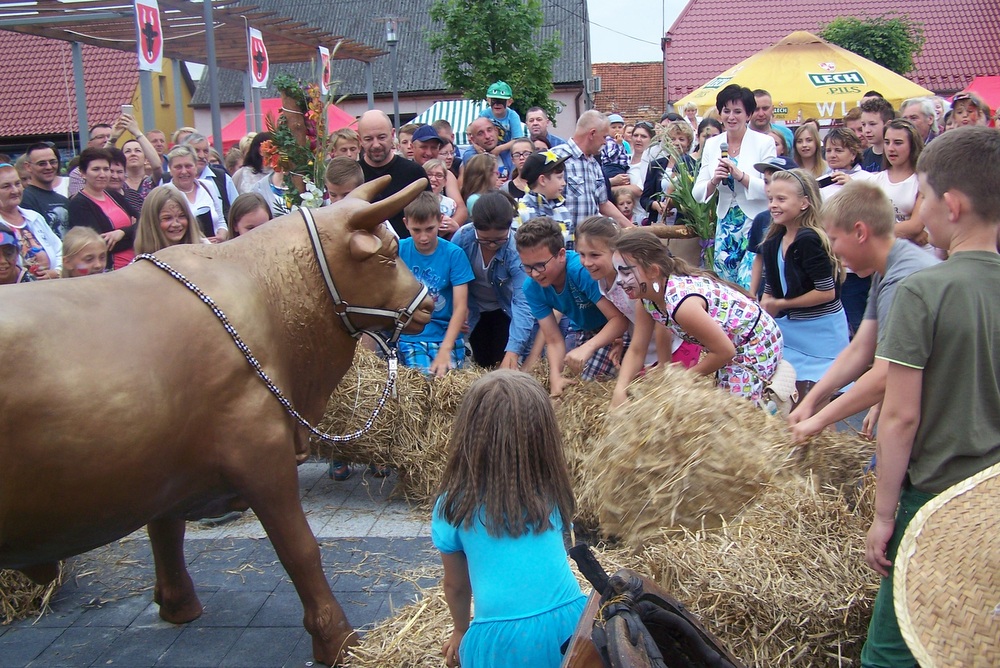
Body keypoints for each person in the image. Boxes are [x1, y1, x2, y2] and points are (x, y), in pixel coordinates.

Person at [860, 126, 1000, 667]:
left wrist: (884, 515)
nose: (919, 212)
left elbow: (900, 417)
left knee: (892, 651)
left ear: (953, 205)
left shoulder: (925, 290)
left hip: (937, 501)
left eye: (924, 197)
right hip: (992, 497)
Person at [433, 370, 586, 668]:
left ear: (468, 432)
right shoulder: (553, 490)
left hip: (500, 642)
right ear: (543, 436)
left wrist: (461, 630)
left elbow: (456, 586)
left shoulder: (453, 505)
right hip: (572, 626)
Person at [788, 181, 938, 443]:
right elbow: (860, 348)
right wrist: (811, 401)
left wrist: (817, 421)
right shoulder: (888, 267)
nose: (833, 250)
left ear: (859, 232)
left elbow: (885, 374)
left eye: (834, 239)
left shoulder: (902, 281)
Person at [610, 229, 782, 406]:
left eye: (626, 273)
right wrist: (620, 390)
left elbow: (725, 352)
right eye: (617, 272)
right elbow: (637, 349)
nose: (619, 281)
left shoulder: (681, 304)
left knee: (734, 408)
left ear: (653, 271)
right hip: (730, 344)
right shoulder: (646, 300)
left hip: (755, 340)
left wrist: (684, 380)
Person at [759, 169, 848, 400]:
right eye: (771, 199)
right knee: (789, 393)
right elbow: (770, 284)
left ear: (804, 203)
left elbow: (826, 292)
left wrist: (781, 304)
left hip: (820, 330)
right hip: (789, 328)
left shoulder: (810, 240)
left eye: (781, 199)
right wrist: (765, 306)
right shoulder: (772, 241)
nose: (773, 205)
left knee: (818, 396)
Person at [515, 217, 628, 396]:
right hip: (585, 329)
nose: (534, 274)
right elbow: (553, 339)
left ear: (561, 255)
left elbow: (619, 319)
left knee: (590, 387)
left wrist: (588, 347)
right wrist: (555, 376)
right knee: (573, 382)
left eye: (540, 265)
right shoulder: (531, 287)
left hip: (619, 324)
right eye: (527, 267)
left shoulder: (581, 270)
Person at [575, 217, 700, 374]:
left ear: (615, 252)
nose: (587, 262)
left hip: (674, 345)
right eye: (582, 254)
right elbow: (624, 311)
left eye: (594, 255)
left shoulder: (633, 282)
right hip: (647, 348)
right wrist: (619, 339)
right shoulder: (602, 279)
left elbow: (662, 323)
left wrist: (664, 368)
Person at [694, 84, 775, 289]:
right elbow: (698, 193)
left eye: (738, 111)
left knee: (748, 283)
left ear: (748, 114)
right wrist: (714, 180)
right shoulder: (713, 144)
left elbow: (771, 188)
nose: (731, 117)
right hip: (726, 222)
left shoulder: (764, 143)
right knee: (726, 283)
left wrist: (741, 176)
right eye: (726, 111)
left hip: (755, 221)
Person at [450, 190, 533, 369]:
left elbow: (523, 302)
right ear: (474, 227)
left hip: (505, 310)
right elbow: (450, 277)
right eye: (485, 240)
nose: (492, 245)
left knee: (502, 359)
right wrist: (457, 307)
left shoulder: (515, 250)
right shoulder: (463, 238)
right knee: (481, 361)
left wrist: (513, 351)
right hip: (473, 308)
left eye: (499, 240)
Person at [398, 191, 474, 377]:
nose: (423, 237)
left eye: (429, 229)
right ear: (406, 223)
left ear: (440, 220)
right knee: (422, 380)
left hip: (446, 333)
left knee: (447, 384)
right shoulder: (399, 250)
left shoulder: (453, 254)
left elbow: (460, 306)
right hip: (411, 335)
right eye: (416, 230)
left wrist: (446, 348)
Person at [551, 110, 632, 229]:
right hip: (562, 237)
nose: (605, 142)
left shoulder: (594, 163)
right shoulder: (557, 157)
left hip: (588, 238)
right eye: (604, 137)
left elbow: (603, 204)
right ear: (592, 134)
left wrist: (632, 228)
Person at [357, 110, 429, 238]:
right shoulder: (353, 175)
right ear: (360, 140)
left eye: (381, 137)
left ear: (392, 134)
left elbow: (428, 216)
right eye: (368, 139)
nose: (376, 145)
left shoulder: (414, 172)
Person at [67, 148, 137, 270]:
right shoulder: (79, 204)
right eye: (96, 169)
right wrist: (134, 233)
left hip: (135, 265)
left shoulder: (114, 195)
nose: (102, 174)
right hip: (110, 271)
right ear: (83, 173)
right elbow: (99, 245)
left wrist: (122, 233)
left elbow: (144, 222)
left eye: (106, 169)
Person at [871, 119, 929, 250]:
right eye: (887, 142)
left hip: (918, 253)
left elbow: (915, 226)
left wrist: (876, 233)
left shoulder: (923, 180)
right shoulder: (875, 180)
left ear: (912, 146)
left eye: (898, 143)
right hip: (886, 252)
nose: (891, 148)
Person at [747, 155, 798, 298]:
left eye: (776, 181)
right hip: (768, 290)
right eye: (766, 182)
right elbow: (759, 258)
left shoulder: (805, 229)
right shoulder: (761, 219)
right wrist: (752, 293)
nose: (770, 187)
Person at [164, 145, 228, 242]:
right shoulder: (165, 193)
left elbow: (221, 221)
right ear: (170, 169)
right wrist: (201, 241)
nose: (184, 171)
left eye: (188, 166)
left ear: (195, 167)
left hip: (214, 247)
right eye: (178, 167)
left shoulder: (207, 186)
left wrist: (222, 235)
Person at [410, 125, 467, 232]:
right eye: (424, 147)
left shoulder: (447, 174)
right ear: (412, 147)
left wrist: (450, 225)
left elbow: (461, 209)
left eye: (434, 147)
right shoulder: (406, 171)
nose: (429, 152)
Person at [642, 121, 696, 225]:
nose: (676, 143)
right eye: (672, 139)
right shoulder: (656, 165)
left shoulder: (693, 165)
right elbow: (644, 198)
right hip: (658, 223)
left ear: (688, 142)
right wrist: (655, 205)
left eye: (681, 139)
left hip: (683, 224)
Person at [515, 150, 573, 245]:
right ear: (542, 180)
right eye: (559, 177)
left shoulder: (563, 212)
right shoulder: (520, 211)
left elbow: (570, 248)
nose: (564, 183)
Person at [181, 133, 239, 224]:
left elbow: (237, 211)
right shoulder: (170, 180)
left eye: (205, 151)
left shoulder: (222, 178)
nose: (202, 156)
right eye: (196, 151)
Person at [134, 186, 205, 254]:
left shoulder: (204, 250)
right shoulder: (142, 261)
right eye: (167, 218)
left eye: (182, 216)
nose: (176, 224)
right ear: (151, 222)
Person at [20, 142, 70, 238]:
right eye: (42, 164)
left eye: (53, 162)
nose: (49, 167)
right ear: (28, 167)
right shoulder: (25, 199)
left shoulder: (64, 200)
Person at [479, 81, 524, 162]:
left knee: (513, 159)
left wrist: (499, 149)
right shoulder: (484, 114)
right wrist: (478, 147)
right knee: (470, 153)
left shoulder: (513, 116)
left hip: (506, 149)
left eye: (501, 101)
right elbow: (473, 133)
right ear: (488, 100)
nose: (497, 104)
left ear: (509, 102)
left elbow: (517, 139)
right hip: (487, 147)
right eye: (494, 101)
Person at [67, 123, 113, 196]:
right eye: (100, 137)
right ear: (90, 144)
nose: (106, 140)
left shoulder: (123, 168)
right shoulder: (78, 173)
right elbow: (78, 199)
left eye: (110, 137)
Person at [750, 89, 794, 153]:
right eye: (756, 109)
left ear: (772, 109)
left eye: (765, 108)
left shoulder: (786, 134)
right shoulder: (740, 135)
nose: (761, 114)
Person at [860, 97, 895, 173]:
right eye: (863, 124)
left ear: (888, 124)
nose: (867, 130)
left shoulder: (895, 156)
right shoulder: (861, 157)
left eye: (872, 124)